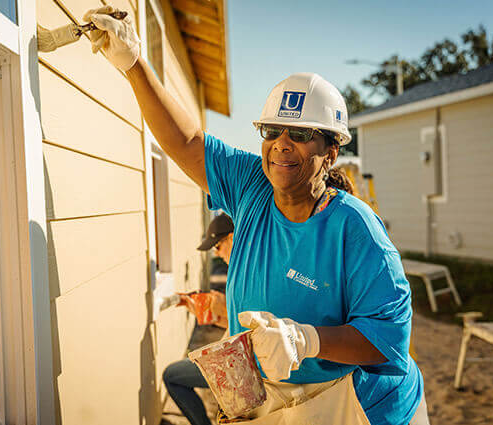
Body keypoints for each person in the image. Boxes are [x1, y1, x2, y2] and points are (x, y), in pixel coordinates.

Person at [83, 6, 429, 425]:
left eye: (300, 135)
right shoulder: (252, 185)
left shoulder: (355, 229)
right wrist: (134, 62)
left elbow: (388, 340)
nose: (281, 144)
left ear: (331, 150)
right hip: (273, 397)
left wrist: (306, 340)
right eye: (272, 130)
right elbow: (188, 141)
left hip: (354, 403)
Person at [163, 213, 233, 425]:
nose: (217, 254)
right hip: (236, 354)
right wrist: (200, 310)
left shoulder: (241, 276)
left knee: (171, 376)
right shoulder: (243, 270)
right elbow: (235, 321)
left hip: (240, 362)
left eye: (217, 246)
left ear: (231, 238)